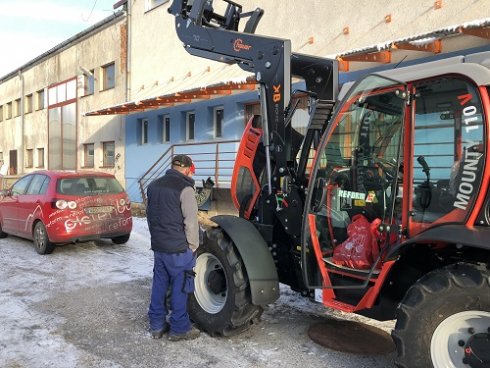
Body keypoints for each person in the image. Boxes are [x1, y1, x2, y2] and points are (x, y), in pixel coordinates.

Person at [146, 154, 201, 341]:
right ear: (187, 169)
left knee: (159, 285)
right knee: (180, 288)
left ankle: (156, 326)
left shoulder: (153, 186)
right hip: (179, 250)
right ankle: (179, 329)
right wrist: (193, 246)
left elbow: (150, 216)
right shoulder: (185, 189)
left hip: (159, 247)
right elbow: (191, 222)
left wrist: (157, 239)